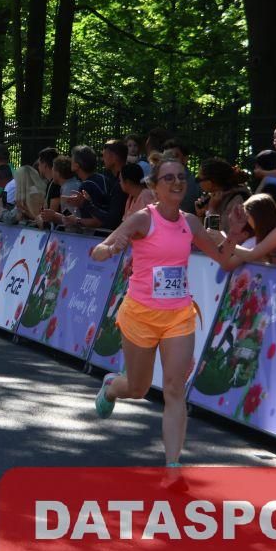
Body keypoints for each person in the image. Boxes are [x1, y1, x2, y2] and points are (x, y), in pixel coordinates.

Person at [91, 158, 239, 476]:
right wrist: (111, 249)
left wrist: (234, 236)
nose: (177, 182)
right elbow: (98, 251)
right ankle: (112, 387)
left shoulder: (191, 223)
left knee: (174, 389)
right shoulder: (143, 219)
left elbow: (224, 261)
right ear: (155, 186)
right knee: (138, 389)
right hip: (140, 314)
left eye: (181, 177)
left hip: (179, 315)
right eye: (168, 178)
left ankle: (173, 467)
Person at [219, 193, 276, 267]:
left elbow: (251, 256)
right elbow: (227, 264)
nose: (247, 221)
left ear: (259, 217)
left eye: (247, 217)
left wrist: (224, 240)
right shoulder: (263, 234)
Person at [194, 158, 251, 234]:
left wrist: (212, 210)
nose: (198, 182)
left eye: (198, 179)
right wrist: (200, 215)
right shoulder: (215, 198)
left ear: (209, 183)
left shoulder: (237, 201)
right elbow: (203, 236)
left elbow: (218, 237)